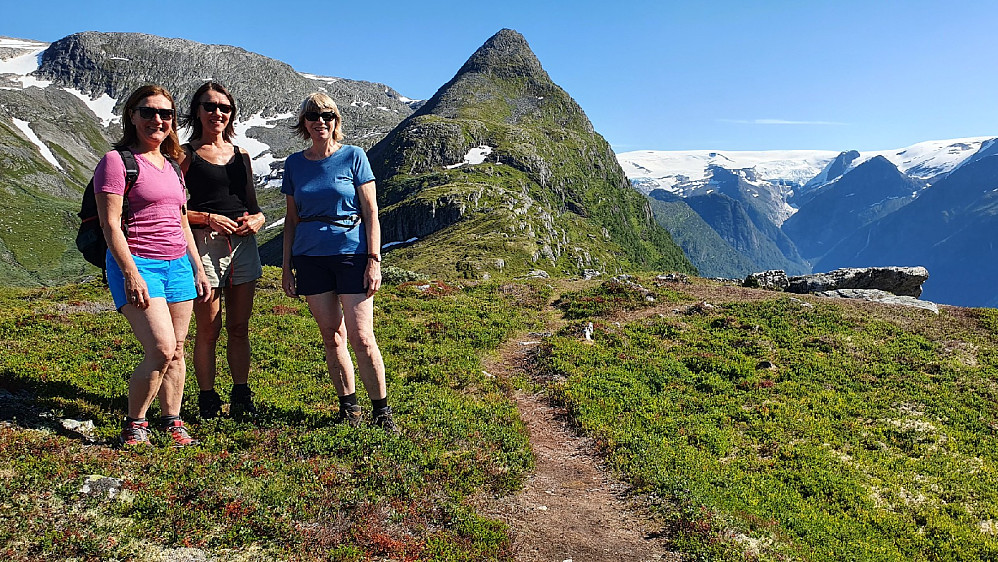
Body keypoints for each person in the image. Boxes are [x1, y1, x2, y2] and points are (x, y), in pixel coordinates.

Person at [95, 84, 212, 447]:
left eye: (165, 114)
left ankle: (172, 421)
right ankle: (135, 423)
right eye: (148, 112)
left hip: (177, 265)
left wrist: (197, 268)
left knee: (177, 349)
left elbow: (180, 221)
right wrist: (130, 272)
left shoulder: (174, 167)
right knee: (161, 348)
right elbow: (110, 224)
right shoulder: (117, 162)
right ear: (132, 116)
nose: (157, 120)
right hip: (138, 263)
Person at [280, 92, 398, 434]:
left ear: (336, 121)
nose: (321, 121)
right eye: (313, 115)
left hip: (352, 254)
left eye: (328, 116)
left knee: (362, 336)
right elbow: (291, 219)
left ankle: (382, 411)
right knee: (332, 337)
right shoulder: (294, 164)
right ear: (304, 122)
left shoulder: (354, 157)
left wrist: (374, 259)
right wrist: (287, 267)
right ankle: (348, 407)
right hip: (310, 258)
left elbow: (371, 211)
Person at [178, 82, 265, 419]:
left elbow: (253, 205)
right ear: (197, 111)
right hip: (204, 245)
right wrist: (209, 218)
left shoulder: (240, 155)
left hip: (243, 244)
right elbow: (175, 208)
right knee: (209, 328)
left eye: (224, 108)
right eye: (210, 106)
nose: (217, 113)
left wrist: (257, 220)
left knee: (240, 327)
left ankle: (241, 393)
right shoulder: (185, 155)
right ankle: (207, 396)